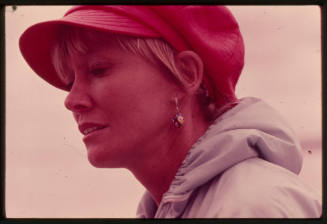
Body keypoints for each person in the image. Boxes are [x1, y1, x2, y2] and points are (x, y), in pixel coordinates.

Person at [19, 5, 321, 218]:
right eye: (70, 81)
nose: (72, 100)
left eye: (98, 70)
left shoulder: (252, 206)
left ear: (186, 74)